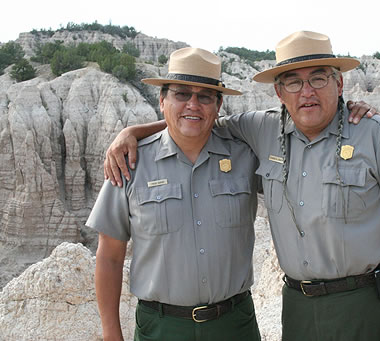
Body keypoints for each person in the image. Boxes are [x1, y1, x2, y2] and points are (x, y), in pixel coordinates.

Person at [104, 31, 380, 341]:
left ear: (339, 83)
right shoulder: (260, 130)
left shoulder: (375, 134)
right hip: (298, 309)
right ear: (279, 91)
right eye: (293, 81)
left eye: (319, 78)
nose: (307, 91)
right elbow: (195, 122)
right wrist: (133, 132)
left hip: (365, 305)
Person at [87, 47, 262, 341]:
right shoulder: (129, 162)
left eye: (204, 96)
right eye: (182, 94)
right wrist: (111, 334)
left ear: (218, 106)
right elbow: (109, 257)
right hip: (162, 328)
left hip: (234, 325)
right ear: (162, 99)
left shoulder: (246, 156)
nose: (193, 104)